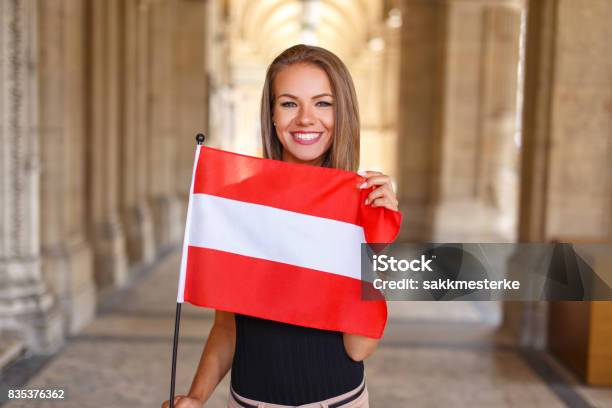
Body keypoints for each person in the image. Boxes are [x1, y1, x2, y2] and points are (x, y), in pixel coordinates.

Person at [162, 44, 398, 408]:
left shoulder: (358, 208)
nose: (306, 118)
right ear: (271, 114)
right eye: (289, 103)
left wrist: (371, 236)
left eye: (323, 103)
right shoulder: (243, 204)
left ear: (343, 113)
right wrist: (196, 396)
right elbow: (227, 327)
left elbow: (359, 347)